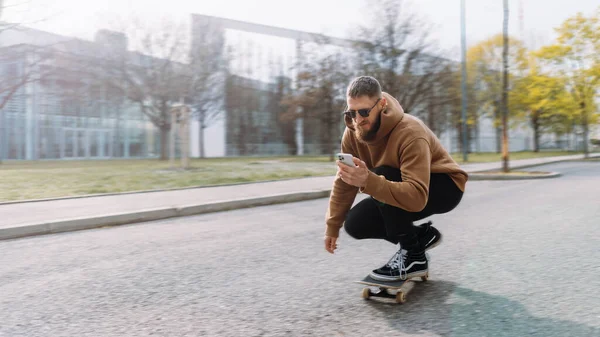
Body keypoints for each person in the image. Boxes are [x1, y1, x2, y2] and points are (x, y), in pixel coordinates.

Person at [323, 76, 468, 282]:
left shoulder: (410, 131)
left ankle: (413, 256)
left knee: (384, 173)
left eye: (364, 112)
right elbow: (345, 179)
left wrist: (368, 180)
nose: (358, 120)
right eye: (351, 113)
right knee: (356, 223)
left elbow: (416, 198)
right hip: (397, 183)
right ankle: (421, 238)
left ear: (381, 105)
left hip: (443, 186)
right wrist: (332, 226)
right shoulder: (352, 131)